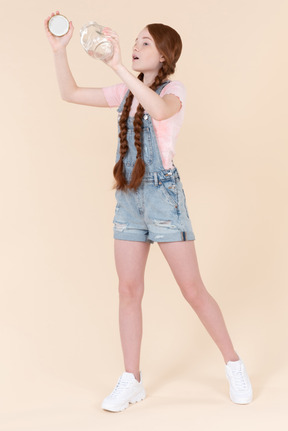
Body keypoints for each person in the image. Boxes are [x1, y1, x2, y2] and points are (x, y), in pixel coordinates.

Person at [44, 11, 253, 412]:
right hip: (128, 199)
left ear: (164, 55)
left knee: (192, 290)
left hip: (163, 199)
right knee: (128, 291)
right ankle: (131, 380)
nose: (136, 47)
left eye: (144, 43)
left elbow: (158, 111)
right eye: (135, 41)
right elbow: (69, 93)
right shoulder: (124, 92)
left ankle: (233, 364)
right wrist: (60, 51)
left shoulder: (175, 91)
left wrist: (118, 65)